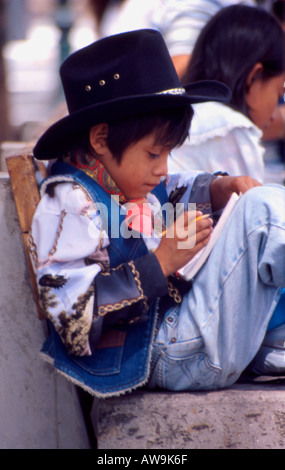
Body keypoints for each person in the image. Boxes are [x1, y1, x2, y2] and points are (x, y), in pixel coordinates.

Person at [29, 29, 285, 398]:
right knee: (262, 214)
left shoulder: (124, 183)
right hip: (164, 351)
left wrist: (218, 188)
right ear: (100, 140)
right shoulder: (70, 201)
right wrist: (160, 263)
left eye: (168, 153)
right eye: (154, 154)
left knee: (262, 200)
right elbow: (71, 319)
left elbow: (174, 186)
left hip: (183, 335)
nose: (163, 168)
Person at [168, 5, 285, 183]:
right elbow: (247, 206)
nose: (274, 112)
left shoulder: (179, 113)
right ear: (254, 77)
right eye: (278, 94)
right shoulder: (232, 129)